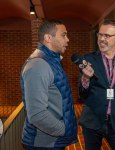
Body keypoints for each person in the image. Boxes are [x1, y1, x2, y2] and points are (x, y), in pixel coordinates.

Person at [78, 19, 115, 150]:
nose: (101, 39)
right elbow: (82, 94)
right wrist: (86, 78)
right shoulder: (88, 59)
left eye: (107, 35)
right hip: (92, 122)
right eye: (100, 35)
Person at [20, 20, 77, 150]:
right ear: (48, 38)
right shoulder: (38, 65)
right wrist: (64, 129)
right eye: (63, 35)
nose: (67, 39)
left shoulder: (51, 61)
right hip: (43, 144)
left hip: (52, 141)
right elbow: (37, 115)